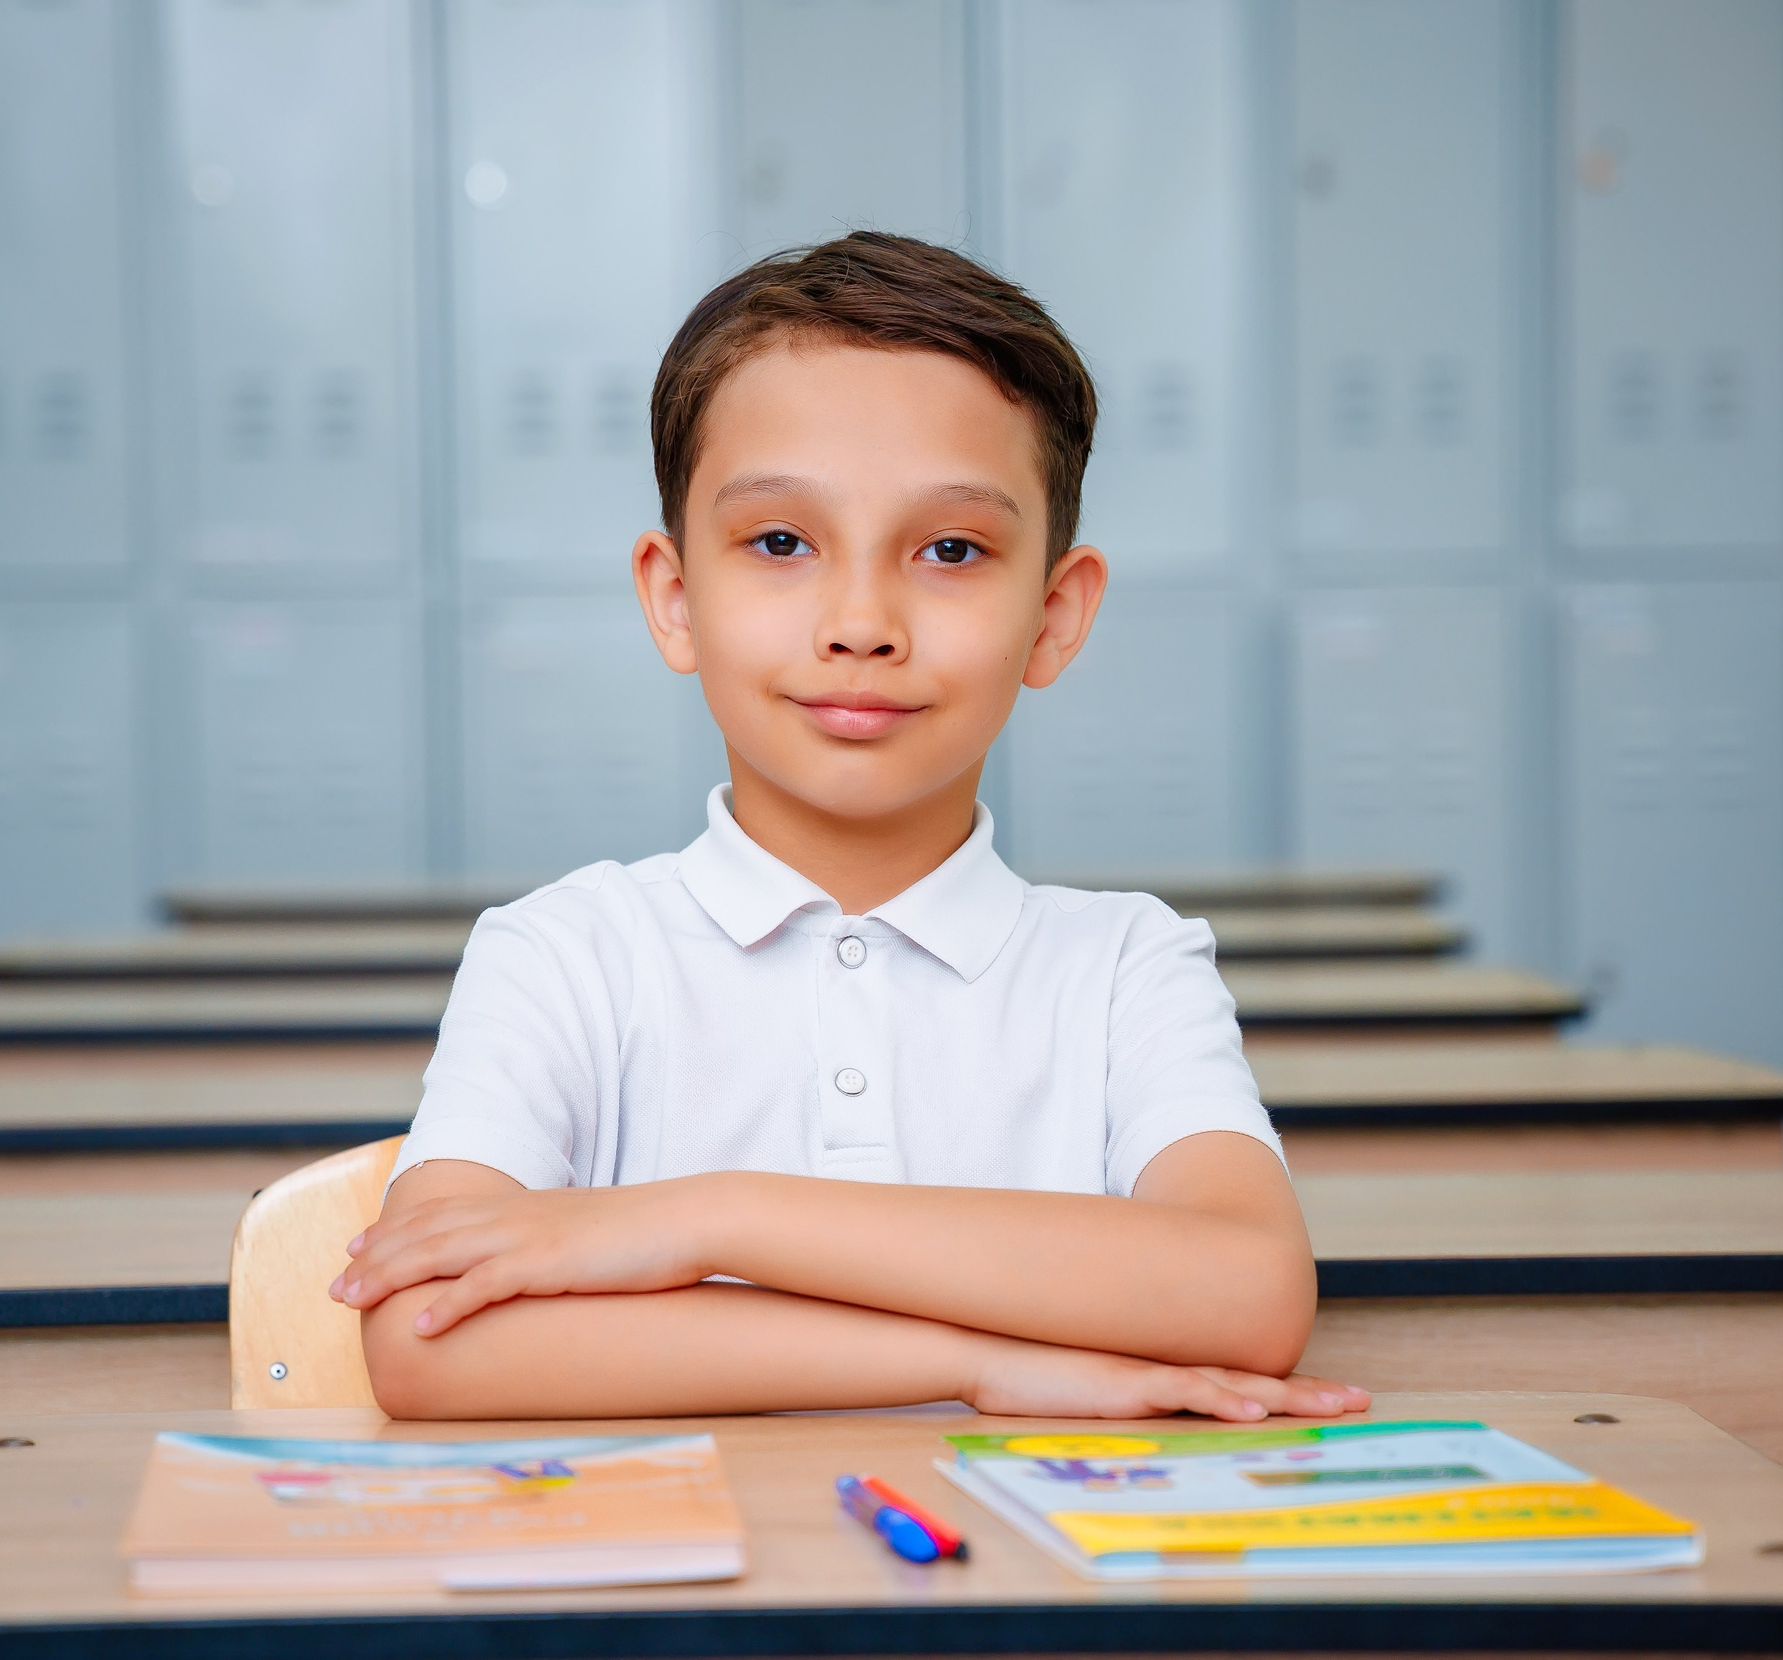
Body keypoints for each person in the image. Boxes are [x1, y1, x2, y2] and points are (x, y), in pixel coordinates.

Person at [332, 232, 1367, 1426]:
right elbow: (424, 1338)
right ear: (675, 600)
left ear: (1054, 615)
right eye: (780, 543)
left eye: (950, 550)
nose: (862, 621)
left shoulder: (1128, 966)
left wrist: (698, 1219)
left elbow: (1244, 1295)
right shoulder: (562, 955)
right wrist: (973, 1365)